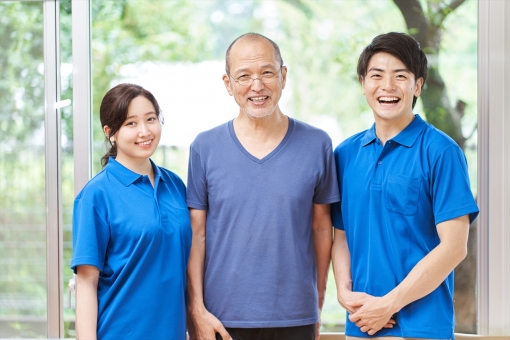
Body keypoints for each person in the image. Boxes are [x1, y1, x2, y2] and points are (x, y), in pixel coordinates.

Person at [186, 33, 340, 340]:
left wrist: (317, 301)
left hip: (296, 317)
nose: (257, 86)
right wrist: (197, 310)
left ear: (283, 75)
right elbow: (196, 235)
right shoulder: (204, 147)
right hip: (221, 319)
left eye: (267, 72)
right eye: (244, 76)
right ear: (228, 84)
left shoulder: (317, 144)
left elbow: (323, 228)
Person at [331, 32, 479, 339]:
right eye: (376, 75)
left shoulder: (442, 152)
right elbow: (342, 236)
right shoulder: (345, 155)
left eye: (400, 76)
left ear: (418, 85)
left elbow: (454, 247)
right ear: (363, 83)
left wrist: (388, 304)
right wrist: (344, 292)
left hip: (422, 328)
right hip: (361, 325)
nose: (387, 86)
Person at [71, 83, 191, 339]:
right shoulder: (96, 195)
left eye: (151, 119)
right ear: (111, 132)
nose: (145, 131)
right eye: (131, 123)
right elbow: (86, 283)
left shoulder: (175, 186)